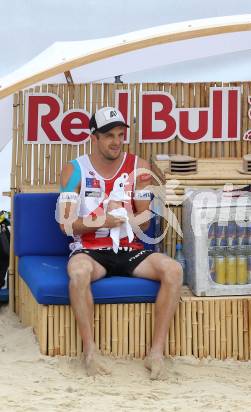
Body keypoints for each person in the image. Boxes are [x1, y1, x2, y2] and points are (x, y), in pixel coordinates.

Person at [57, 106, 182, 378]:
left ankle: (155, 353)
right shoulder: (75, 170)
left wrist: (129, 217)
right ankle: (90, 352)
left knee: (173, 269)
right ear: (94, 137)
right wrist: (101, 221)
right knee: (78, 273)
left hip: (130, 249)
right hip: (89, 251)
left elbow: (146, 223)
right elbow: (65, 225)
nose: (116, 141)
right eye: (109, 135)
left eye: (120, 135)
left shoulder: (140, 167)